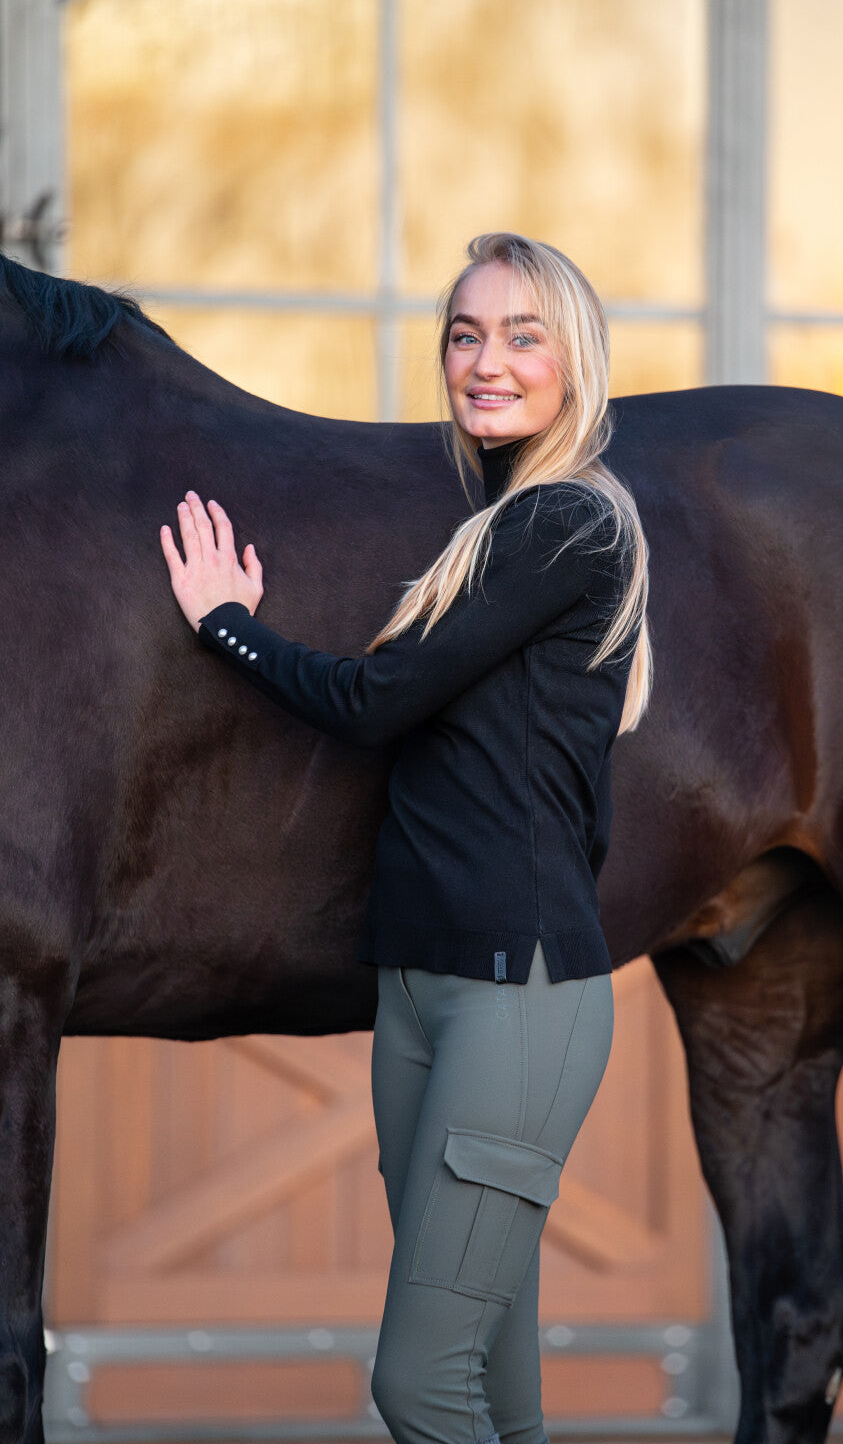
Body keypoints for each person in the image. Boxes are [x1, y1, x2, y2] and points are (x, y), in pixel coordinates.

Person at [160, 232, 653, 1444]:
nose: (487, 362)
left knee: (420, 1385)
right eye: (464, 334)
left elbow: (376, 703)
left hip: (513, 999)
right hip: (422, 993)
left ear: (575, 360)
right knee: (494, 1390)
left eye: (522, 336)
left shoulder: (567, 526)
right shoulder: (491, 527)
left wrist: (227, 622)